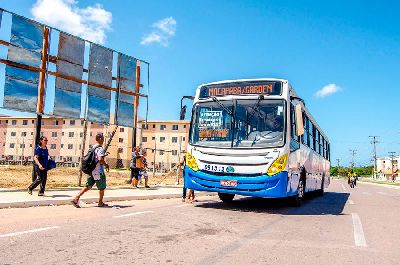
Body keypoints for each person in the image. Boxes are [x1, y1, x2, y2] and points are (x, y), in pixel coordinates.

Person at [71, 133, 109, 208]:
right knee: (102, 188)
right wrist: (106, 165)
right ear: (100, 139)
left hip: (91, 171)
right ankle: (100, 202)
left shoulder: (92, 147)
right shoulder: (100, 148)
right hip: (98, 171)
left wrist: (103, 155)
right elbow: (100, 159)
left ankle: (76, 198)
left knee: (88, 186)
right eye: (103, 138)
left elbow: (94, 158)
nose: (103, 139)